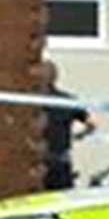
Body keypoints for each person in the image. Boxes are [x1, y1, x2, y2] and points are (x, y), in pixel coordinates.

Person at [40, 61, 95, 190]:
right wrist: (79, 135)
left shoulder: (31, 100)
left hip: (43, 162)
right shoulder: (67, 101)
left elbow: (91, 124)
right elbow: (91, 124)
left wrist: (78, 135)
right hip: (60, 161)